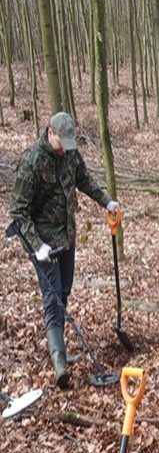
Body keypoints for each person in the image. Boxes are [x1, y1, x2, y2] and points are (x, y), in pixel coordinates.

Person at [8, 112, 119, 390]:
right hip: (43, 243)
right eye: (61, 143)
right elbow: (18, 212)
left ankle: (62, 349)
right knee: (52, 297)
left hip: (66, 238)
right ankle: (59, 362)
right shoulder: (32, 161)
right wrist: (37, 246)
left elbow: (84, 180)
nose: (64, 149)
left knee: (64, 292)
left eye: (68, 144)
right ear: (49, 132)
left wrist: (106, 202)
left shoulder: (70, 154)